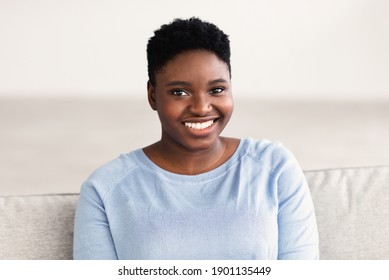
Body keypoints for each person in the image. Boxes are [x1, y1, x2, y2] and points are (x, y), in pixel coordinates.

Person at [73, 17, 319, 260]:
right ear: (152, 95)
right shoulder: (105, 189)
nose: (202, 107)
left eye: (217, 90)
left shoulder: (275, 169)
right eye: (179, 92)